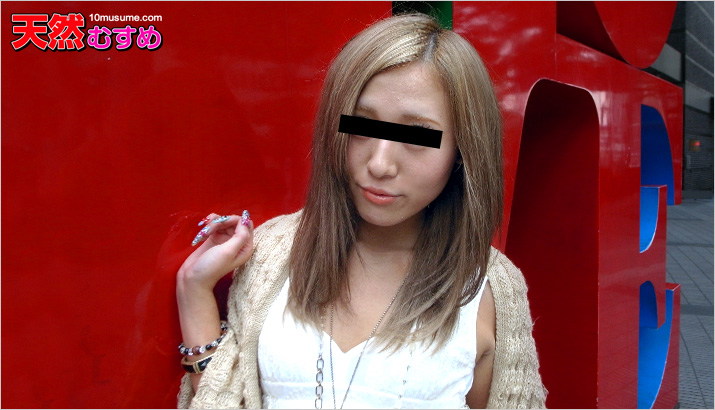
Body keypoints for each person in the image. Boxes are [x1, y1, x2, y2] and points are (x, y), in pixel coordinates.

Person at [176, 13, 547, 409]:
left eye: (417, 136)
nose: (380, 164)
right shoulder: (272, 254)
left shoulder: (489, 286)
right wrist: (193, 291)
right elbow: (226, 400)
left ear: (462, 151)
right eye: (363, 126)